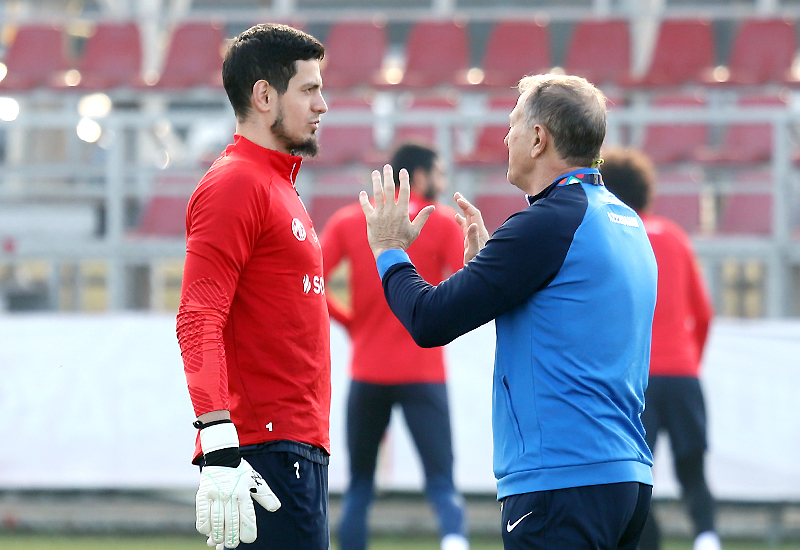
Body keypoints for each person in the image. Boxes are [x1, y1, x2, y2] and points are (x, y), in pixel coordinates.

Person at [358, 74, 658, 550]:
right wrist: (487, 265)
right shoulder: (624, 220)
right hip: (625, 479)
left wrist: (390, 249)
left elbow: (429, 319)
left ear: (539, 139)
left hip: (560, 482)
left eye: (514, 122)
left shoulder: (548, 223)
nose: (505, 136)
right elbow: (565, 319)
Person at [175, 24, 331, 550]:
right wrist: (219, 443)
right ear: (265, 96)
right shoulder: (237, 182)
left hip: (292, 446)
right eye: (308, 89)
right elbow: (197, 317)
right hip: (262, 451)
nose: (322, 105)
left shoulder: (277, 184)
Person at [320, 142, 470, 550]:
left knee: (361, 487)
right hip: (424, 373)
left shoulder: (349, 221)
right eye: (438, 174)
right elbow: (470, 283)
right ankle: (454, 541)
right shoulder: (436, 221)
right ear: (420, 177)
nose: (442, 183)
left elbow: (311, 281)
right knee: (441, 481)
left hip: (368, 372)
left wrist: (351, 322)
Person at [600, 149, 719, 550]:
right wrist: (689, 363)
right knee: (693, 471)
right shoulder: (675, 236)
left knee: (634, 476)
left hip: (636, 381)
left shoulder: (609, 232)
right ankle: (706, 537)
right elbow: (703, 314)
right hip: (684, 377)